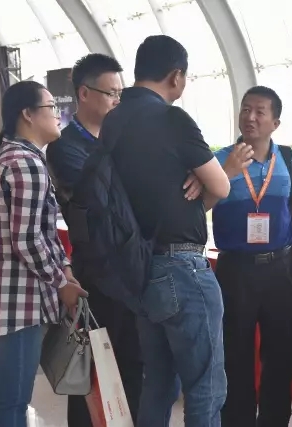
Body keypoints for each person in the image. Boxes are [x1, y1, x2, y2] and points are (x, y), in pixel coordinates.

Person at [104, 35, 245, 427]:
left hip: (140, 266)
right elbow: (221, 186)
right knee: (205, 388)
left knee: (159, 383)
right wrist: (209, 175)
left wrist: (193, 181)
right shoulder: (172, 118)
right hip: (183, 269)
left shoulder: (113, 120)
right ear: (176, 76)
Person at [0, 80, 87, 427]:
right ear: (28, 114)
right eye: (51, 107)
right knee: (13, 402)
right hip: (19, 303)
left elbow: (41, 232)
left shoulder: (16, 158)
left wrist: (64, 267)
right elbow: (27, 239)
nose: (58, 115)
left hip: (13, 299)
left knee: (12, 399)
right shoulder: (25, 163)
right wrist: (61, 283)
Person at [46, 53, 146, 426]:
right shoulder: (65, 146)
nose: (118, 101)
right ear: (84, 93)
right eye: (111, 93)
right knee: (91, 371)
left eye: (121, 93)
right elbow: (99, 202)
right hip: (97, 275)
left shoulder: (123, 140)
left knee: (132, 366)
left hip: (131, 270)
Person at [210, 86, 292, 427]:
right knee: (235, 355)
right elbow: (199, 205)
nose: (250, 117)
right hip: (236, 270)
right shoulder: (220, 159)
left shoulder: (287, 158)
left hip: (280, 268)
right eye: (245, 109)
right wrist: (227, 172)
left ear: (275, 123)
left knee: (280, 354)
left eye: (259, 112)